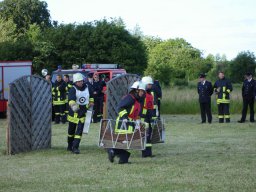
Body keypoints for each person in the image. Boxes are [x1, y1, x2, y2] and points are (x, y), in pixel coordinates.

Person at [107, 81, 146, 164]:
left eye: (143, 91)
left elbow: (136, 113)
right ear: (136, 90)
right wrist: (124, 118)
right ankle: (112, 150)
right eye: (141, 91)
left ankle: (122, 159)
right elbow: (120, 107)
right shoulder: (129, 98)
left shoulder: (137, 100)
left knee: (126, 143)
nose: (142, 93)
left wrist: (138, 121)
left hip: (130, 124)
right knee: (124, 142)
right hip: (123, 124)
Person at [67, 73, 94, 154]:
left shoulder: (88, 87)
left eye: (81, 81)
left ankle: (75, 148)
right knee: (71, 132)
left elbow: (91, 97)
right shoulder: (73, 89)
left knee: (79, 131)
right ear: (75, 82)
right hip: (74, 113)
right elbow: (71, 101)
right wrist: (76, 109)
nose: (80, 82)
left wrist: (91, 102)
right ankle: (69, 145)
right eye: (78, 81)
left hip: (83, 113)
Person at [140, 76, 155, 157]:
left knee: (149, 136)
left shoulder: (150, 94)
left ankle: (149, 153)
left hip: (149, 117)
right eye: (149, 84)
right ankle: (144, 154)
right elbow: (141, 107)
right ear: (145, 84)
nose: (150, 86)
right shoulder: (143, 94)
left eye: (151, 84)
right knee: (144, 135)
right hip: (144, 118)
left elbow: (151, 106)